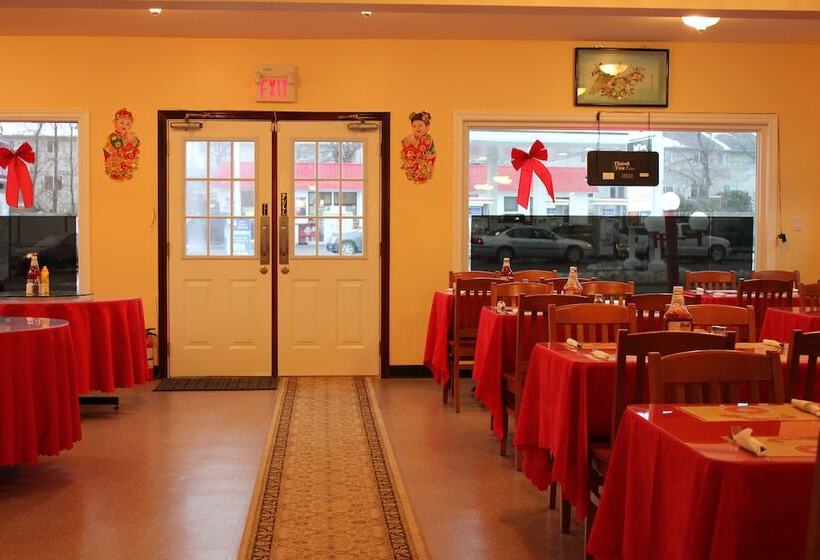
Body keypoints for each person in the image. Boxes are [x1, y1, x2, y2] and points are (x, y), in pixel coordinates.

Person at [103, 108, 141, 181]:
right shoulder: (113, 135)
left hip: (125, 157)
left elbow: (137, 143)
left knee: (128, 162)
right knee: (116, 164)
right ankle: (116, 173)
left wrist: (134, 140)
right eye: (122, 122)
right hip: (115, 157)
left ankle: (126, 172)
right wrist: (128, 140)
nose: (124, 125)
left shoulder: (129, 135)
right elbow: (117, 144)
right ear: (115, 122)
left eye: (128, 124)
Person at [400, 111, 436, 184]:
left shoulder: (427, 139)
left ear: (427, 127)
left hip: (425, 163)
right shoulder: (414, 138)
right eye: (414, 126)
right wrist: (407, 142)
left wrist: (413, 143)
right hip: (416, 162)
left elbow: (421, 150)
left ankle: (420, 176)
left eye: (420, 125)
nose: (417, 128)